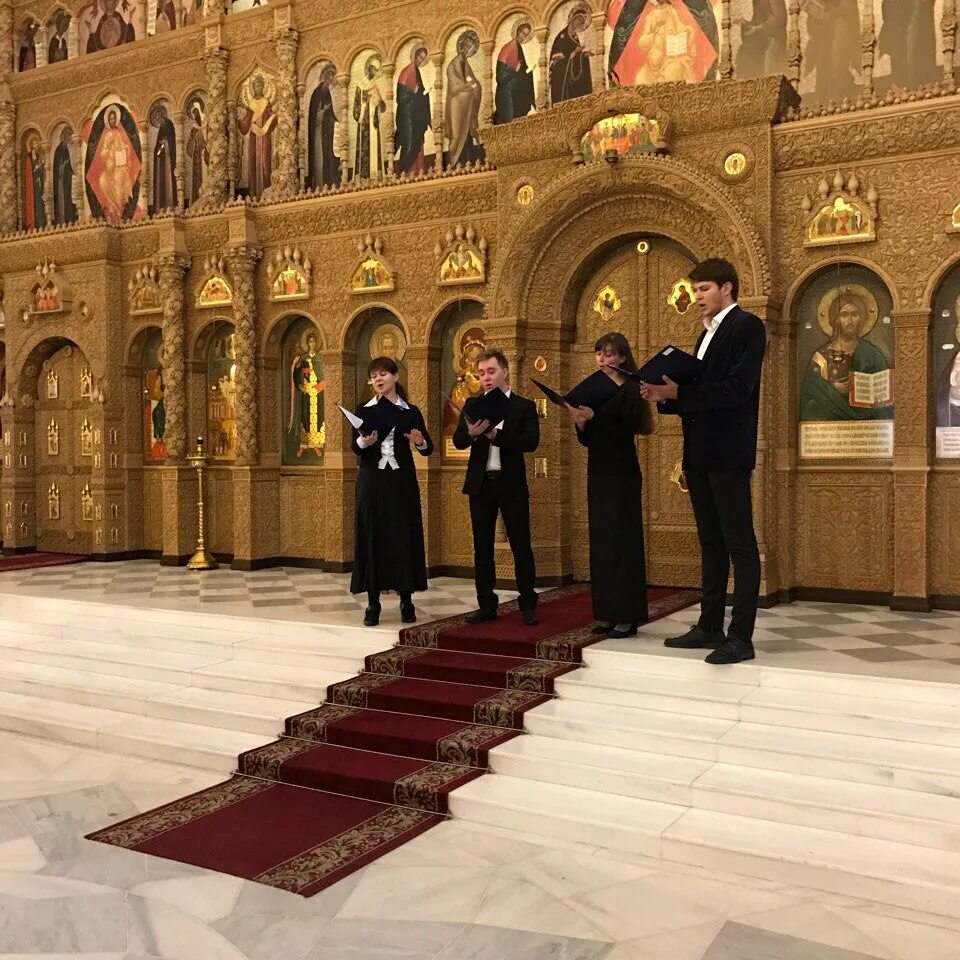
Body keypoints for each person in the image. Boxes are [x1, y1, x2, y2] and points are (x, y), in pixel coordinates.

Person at [641, 258, 766, 665]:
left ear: (727, 288)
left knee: (740, 544)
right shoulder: (705, 333)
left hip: (728, 452)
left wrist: (680, 394)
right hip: (698, 452)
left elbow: (738, 390)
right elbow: (700, 391)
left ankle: (741, 637)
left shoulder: (747, 326)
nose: (696, 297)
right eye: (694, 290)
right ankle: (710, 625)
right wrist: (664, 396)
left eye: (704, 288)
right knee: (711, 542)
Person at [567, 333, 654, 638]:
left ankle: (627, 616)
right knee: (602, 542)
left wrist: (595, 415)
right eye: (599, 353)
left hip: (623, 472)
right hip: (599, 471)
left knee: (623, 541)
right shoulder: (593, 385)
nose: (602, 359)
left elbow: (626, 428)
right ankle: (605, 613)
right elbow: (588, 439)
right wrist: (581, 422)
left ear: (622, 357)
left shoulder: (631, 387)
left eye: (608, 354)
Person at [453, 348, 540, 626]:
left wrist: (495, 435)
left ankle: (528, 605)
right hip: (481, 485)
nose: (486, 378)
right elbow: (458, 441)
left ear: (505, 371)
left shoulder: (523, 406)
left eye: (491, 371)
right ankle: (486, 605)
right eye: (481, 374)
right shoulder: (473, 404)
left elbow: (530, 442)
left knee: (521, 546)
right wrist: (471, 433)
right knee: (482, 548)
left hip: (511, 484)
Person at [350, 356, 433, 627]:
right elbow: (354, 446)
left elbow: (428, 448)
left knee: (402, 536)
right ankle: (372, 603)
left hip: (401, 482)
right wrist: (365, 441)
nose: (378, 379)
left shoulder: (410, 411)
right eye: (374, 375)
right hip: (372, 482)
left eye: (383, 374)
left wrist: (420, 441)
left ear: (395, 377)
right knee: (373, 536)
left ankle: (406, 601)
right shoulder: (363, 410)